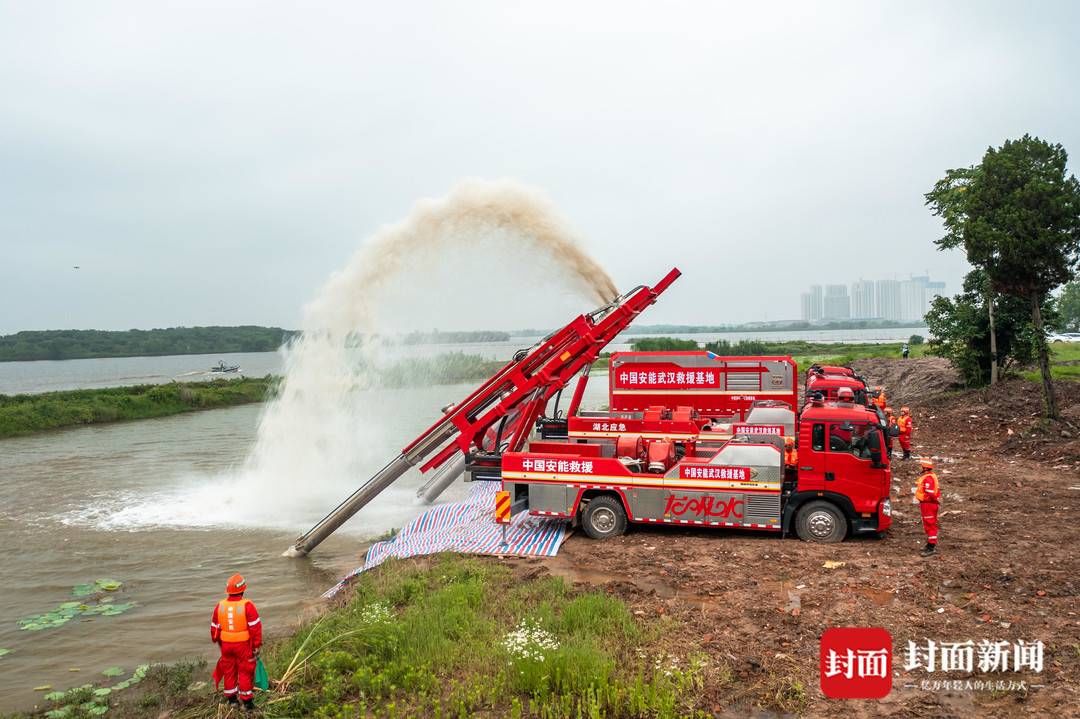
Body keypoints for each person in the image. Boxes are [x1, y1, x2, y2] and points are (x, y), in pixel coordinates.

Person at [211, 574, 262, 709]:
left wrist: (218, 641)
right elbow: (255, 627)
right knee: (245, 671)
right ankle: (247, 703)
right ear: (243, 589)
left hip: (226, 646)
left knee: (229, 671)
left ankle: (232, 700)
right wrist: (256, 645)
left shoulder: (220, 606)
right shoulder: (248, 605)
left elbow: (214, 628)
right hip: (243, 646)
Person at [915, 459, 940, 556]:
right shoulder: (929, 477)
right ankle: (929, 544)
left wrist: (935, 501)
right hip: (928, 504)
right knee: (928, 524)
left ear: (925, 468)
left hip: (928, 504)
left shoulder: (928, 478)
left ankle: (931, 547)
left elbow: (930, 493)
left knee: (930, 525)